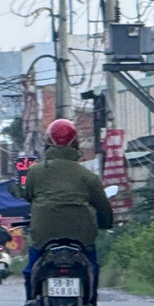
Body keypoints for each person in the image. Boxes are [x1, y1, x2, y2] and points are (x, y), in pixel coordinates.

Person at [18, 117, 112, 291]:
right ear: (76, 143)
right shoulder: (88, 175)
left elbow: (28, 195)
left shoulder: (35, 171)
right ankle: (89, 304)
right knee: (92, 267)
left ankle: (31, 304)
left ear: (47, 143)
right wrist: (105, 223)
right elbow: (103, 206)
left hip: (43, 233)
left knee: (30, 269)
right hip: (82, 236)